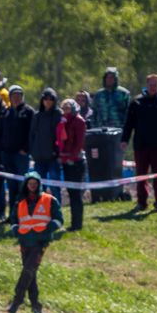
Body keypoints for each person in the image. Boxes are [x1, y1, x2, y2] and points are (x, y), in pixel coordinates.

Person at [6, 171, 63, 313]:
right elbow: (13, 220)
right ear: (26, 185)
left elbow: (59, 219)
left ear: (39, 184)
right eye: (30, 183)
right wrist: (17, 231)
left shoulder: (49, 200)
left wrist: (48, 230)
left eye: (35, 183)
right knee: (31, 274)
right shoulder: (19, 203)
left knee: (27, 271)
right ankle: (36, 305)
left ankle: (17, 300)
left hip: (40, 242)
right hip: (25, 241)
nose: (32, 185)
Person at [121, 74, 157, 213]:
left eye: (155, 85)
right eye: (150, 85)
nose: (153, 88)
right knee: (141, 176)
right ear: (146, 85)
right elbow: (129, 123)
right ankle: (141, 203)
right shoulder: (136, 102)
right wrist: (124, 140)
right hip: (141, 146)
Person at [29, 88, 63, 208]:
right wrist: (33, 152)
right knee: (39, 189)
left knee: (55, 188)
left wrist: (58, 152)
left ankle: (57, 212)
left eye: (51, 99)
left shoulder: (58, 114)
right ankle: (41, 212)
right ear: (42, 100)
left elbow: (61, 135)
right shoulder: (37, 116)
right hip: (39, 159)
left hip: (53, 158)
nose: (48, 101)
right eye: (46, 99)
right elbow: (31, 135)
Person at [58, 99, 87, 231]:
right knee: (71, 193)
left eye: (68, 107)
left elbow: (79, 142)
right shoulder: (63, 121)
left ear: (74, 108)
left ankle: (77, 224)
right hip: (66, 161)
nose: (65, 110)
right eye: (63, 107)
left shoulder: (79, 121)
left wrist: (72, 157)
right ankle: (73, 223)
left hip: (76, 162)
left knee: (76, 194)